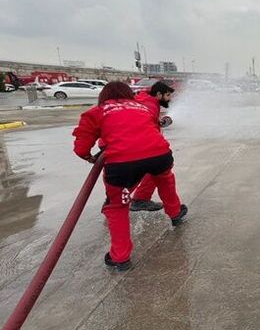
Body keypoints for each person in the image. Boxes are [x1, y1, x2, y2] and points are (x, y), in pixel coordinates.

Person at [73, 82, 187, 271]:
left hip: (122, 164)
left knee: (117, 207)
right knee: (165, 180)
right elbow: (152, 129)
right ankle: (176, 214)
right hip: (160, 154)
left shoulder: (97, 111)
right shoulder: (142, 107)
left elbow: (81, 145)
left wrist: (89, 157)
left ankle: (120, 257)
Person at [129, 81, 175, 212]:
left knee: (148, 170)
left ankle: (118, 200)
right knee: (159, 166)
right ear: (159, 94)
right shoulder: (150, 104)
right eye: (167, 95)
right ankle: (136, 200)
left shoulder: (145, 100)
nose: (169, 98)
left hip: (131, 143)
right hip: (133, 145)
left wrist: (158, 122)